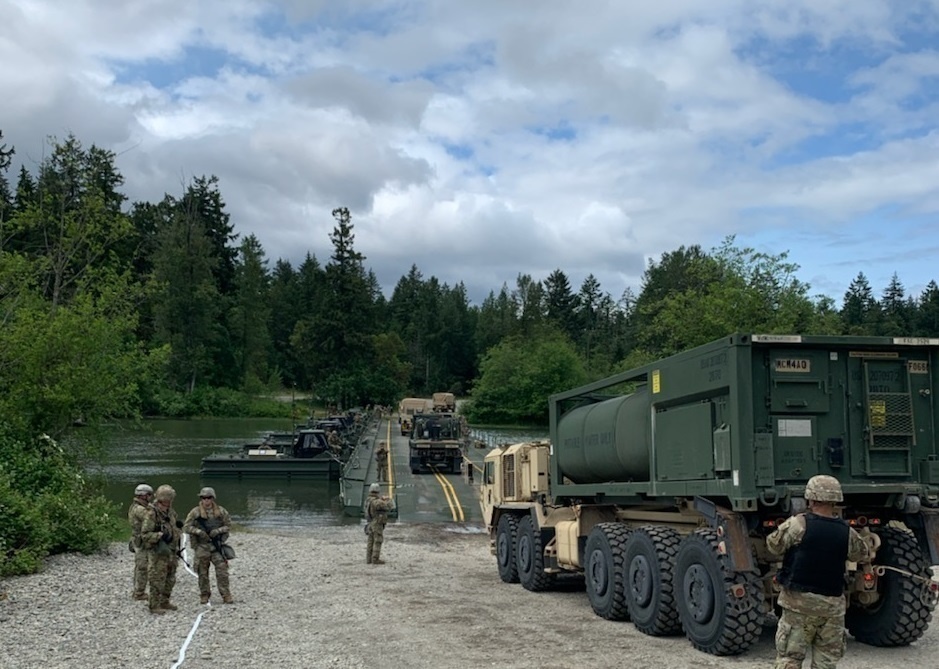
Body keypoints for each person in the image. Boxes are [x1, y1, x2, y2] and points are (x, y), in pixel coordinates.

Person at [767, 475, 869, 669]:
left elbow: (774, 545)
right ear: (835, 500)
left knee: (790, 660)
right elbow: (860, 554)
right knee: (825, 664)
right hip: (831, 608)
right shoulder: (847, 531)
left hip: (798, 605)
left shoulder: (798, 524)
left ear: (811, 499)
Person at [183, 487, 234, 605]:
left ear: (213, 498)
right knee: (202, 572)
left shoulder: (221, 511)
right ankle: (204, 594)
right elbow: (186, 527)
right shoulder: (195, 512)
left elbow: (228, 525)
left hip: (216, 546)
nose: (206, 501)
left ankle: (225, 594)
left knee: (222, 571)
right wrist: (199, 532)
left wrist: (218, 531)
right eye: (204, 498)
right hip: (202, 546)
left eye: (209, 498)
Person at [141, 484, 181, 615]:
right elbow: (145, 535)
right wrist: (160, 535)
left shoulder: (170, 512)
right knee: (157, 578)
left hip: (171, 551)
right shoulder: (152, 514)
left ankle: (165, 600)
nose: (169, 503)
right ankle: (154, 605)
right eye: (168, 500)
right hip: (158, 551)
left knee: (170, 577)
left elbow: (174, 526)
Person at [127, 483, 153, 601]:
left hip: (139, 540)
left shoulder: (138, 506)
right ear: (143, 496)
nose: (150, 497)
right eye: (149, 495)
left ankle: (138, 590)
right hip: (141, 542)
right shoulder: (139, 509)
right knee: (142, 567)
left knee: (141, 566)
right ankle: (139, 592)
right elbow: (151, 519)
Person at [364, 482, 394, 565]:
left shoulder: (368, 500)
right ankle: (375, 559)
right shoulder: (377, 502)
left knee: (370, 540)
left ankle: (368, 559)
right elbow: (390, 506)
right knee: (378, 540)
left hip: (370, 522)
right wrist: (388, 499)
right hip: (377, 523)